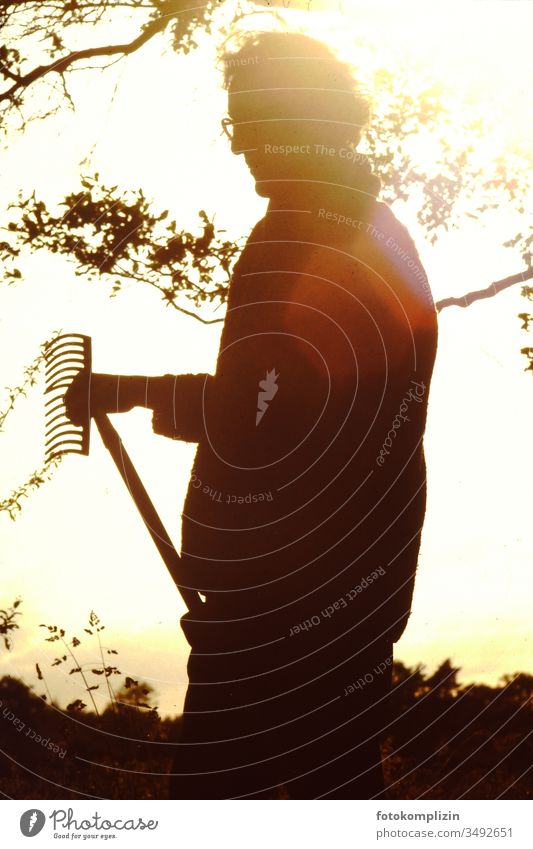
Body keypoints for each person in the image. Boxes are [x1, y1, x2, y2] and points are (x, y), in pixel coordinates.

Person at [66, 32, 438, 798]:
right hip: (356, 593)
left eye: (248, 124)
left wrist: (129, 390)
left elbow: (262, 412)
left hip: (279, 609)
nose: (239, 150)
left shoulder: (291, 237)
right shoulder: (383, 232)